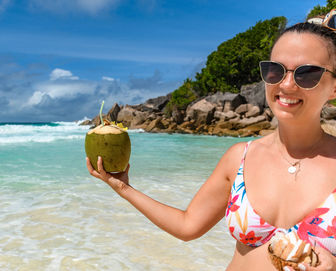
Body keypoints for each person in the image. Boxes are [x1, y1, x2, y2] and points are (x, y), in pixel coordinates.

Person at [86, 21, 336, 271]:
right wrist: (123, 188)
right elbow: (187, 226)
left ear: (334, 86)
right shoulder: (240, 158)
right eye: (275, 70)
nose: (287, 85)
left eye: (306, 74)